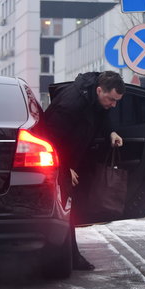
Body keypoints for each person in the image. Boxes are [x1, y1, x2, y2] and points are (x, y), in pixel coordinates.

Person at [40, 71, 125, 271]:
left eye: (117, 101)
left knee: (72, 209)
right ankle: (65, 257)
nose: (114, 104)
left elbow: (103, 114)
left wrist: (111, 131)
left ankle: (71, 255)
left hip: (76, 159)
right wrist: (64, 167)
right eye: (112, 99)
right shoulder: (71, 104)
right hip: (58, 161)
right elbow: (51, 138)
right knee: (65, 210)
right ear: (99, 90)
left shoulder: (95, 96)